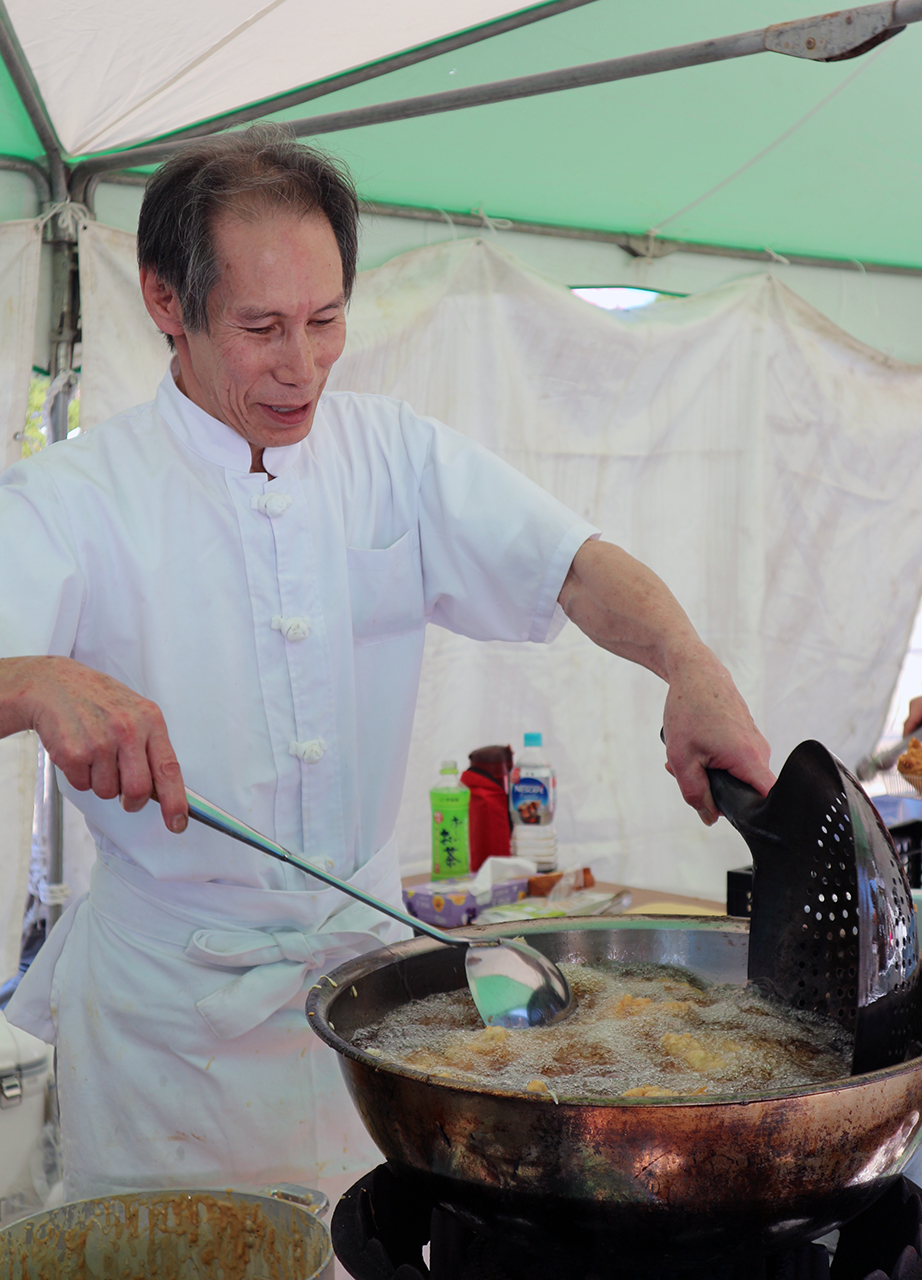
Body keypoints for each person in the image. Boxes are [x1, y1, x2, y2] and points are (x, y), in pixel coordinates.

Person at [0, 125, 774, 1198]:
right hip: (169, 1032)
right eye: (262, 326)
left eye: (326, 322)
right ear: (165, 303)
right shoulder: (78, 497)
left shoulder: (392, 452)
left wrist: (689, 661)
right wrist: (30, 680)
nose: (303, 364)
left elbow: (573, 565)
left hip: (370, 1004)